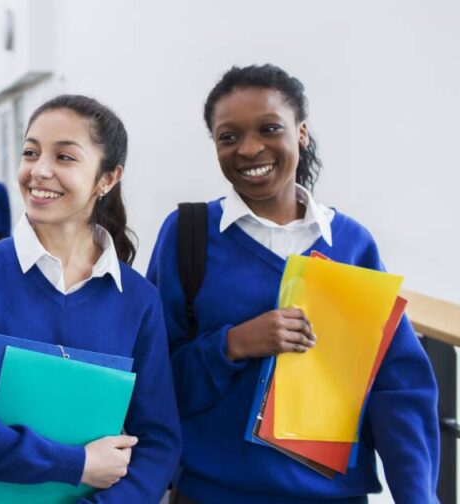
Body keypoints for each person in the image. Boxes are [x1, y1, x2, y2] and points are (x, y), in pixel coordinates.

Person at [147, 64, 439, 503]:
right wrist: (233, 344)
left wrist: (418, 496)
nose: (249, 149)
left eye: (269, 128)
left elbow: (396, 385)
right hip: (212, 495)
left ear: (300, 133)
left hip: (333, 497)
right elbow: (154, 381)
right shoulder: (187, 234)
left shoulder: (351, 243)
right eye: (229, 137)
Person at [0, 95, 181, 503]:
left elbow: (158, 441)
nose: (39, 171)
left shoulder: (138, 300)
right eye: (30, 152)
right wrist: (72, 462)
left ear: (107, 179)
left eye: (65, 157)